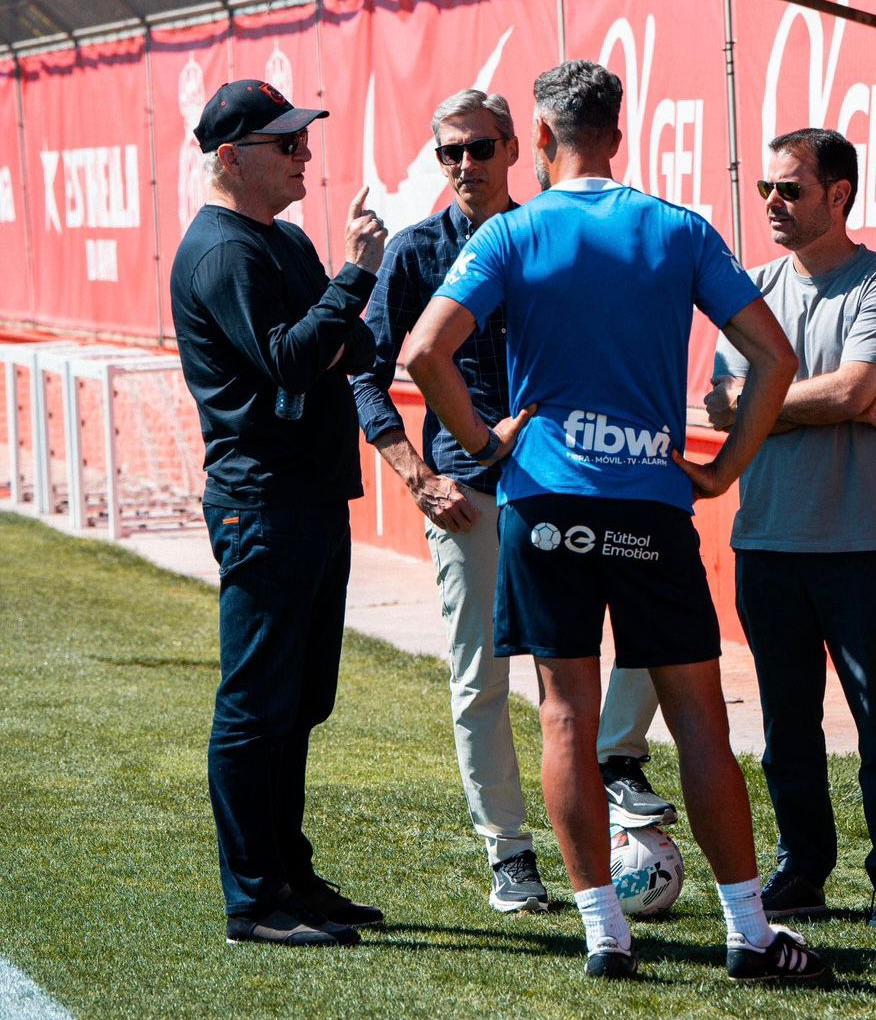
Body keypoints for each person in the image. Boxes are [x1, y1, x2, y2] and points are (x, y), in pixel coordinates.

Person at [403, 60, 826, 983]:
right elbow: (776, 357)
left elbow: (425, 352)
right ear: (619, 136)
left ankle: (605, 937)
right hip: (650, 505)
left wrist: (480, 442)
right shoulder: (678, 229)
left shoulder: (512, 232)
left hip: (545, 505)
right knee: (698, 720)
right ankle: (750, 935)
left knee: (564, 716)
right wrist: (726, 470)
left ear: (539, 139)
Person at [350, 89, 671, 916]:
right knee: (480, 680)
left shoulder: (546, 234)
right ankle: (511, 855)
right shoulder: (417, 252)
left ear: (516, 150)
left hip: (564, 483)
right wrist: (416, 476)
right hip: (466, 495)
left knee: (644, 633)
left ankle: (614, 758)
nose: (466, 165)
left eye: (481, 148)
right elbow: (367, 372)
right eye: (450, 152)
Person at [170, 79, 387, 947]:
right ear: (231, 158)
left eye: (303, 139)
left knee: (299, 703)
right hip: (261, 504)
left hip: (309, 496)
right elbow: (296, 359)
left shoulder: (282, 240)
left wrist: (332, 318)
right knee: (257, 705)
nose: (305, 154)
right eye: (286, 143)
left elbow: (354, 344)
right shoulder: (223, 252)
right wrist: (354, 277)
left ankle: (289, 876)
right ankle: (254, 899)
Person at [706, 128, 876, 929]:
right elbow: (721, 406)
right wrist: (830, 400)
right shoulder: (751, 287)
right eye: (766, 188)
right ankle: (803, 870)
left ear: (839, 195)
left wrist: (779, 403)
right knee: (786, 728)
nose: (773, 202)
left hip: (862, 544)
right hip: (767, 541)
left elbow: (853, 391)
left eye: (790, 189)